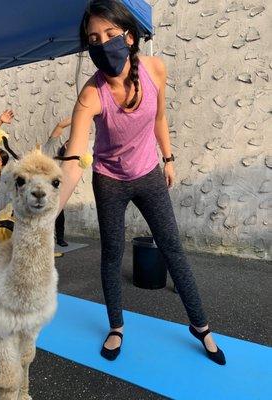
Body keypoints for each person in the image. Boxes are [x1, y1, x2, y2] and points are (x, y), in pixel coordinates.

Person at [59, 0, 226, 365]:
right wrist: (48, 213)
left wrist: (168, 158)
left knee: (172, 248)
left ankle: (200, 326)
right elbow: (72, 163)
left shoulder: (155, 69)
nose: (102, 43)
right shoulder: (90, 95)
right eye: (93, 39)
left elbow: (160, 117)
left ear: (130, 37)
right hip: (109, 179)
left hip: (149, 172)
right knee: (111, 254)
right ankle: (116, 326)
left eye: (110, 34)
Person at [43, 117, 72, 246]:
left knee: (59, 215)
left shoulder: (69, 161)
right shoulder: (50, 149)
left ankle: (60, 238)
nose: (69, 146)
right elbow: (59, 126)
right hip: (41, 188)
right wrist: (79, 117)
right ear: (64, 144)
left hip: (54, 193)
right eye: (67, 143)